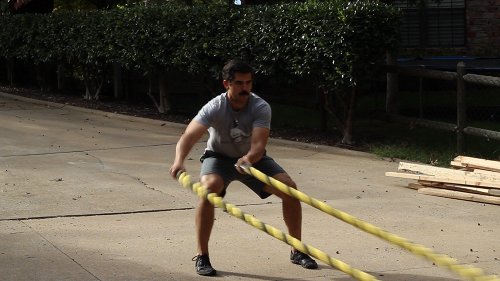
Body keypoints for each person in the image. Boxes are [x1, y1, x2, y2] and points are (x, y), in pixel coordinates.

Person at [169, 59, 318, 276]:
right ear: (226, 84)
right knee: (208, 190)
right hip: (218, 157)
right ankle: (202, 256)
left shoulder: (260, 107)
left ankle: (297, 250)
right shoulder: (215, 106)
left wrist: (248, 158)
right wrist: (178, 160)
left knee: (290, 189)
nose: (245, 88)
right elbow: (189, 136)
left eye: (248, 82)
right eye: (239, 83)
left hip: (252, 160)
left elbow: (258, 145)